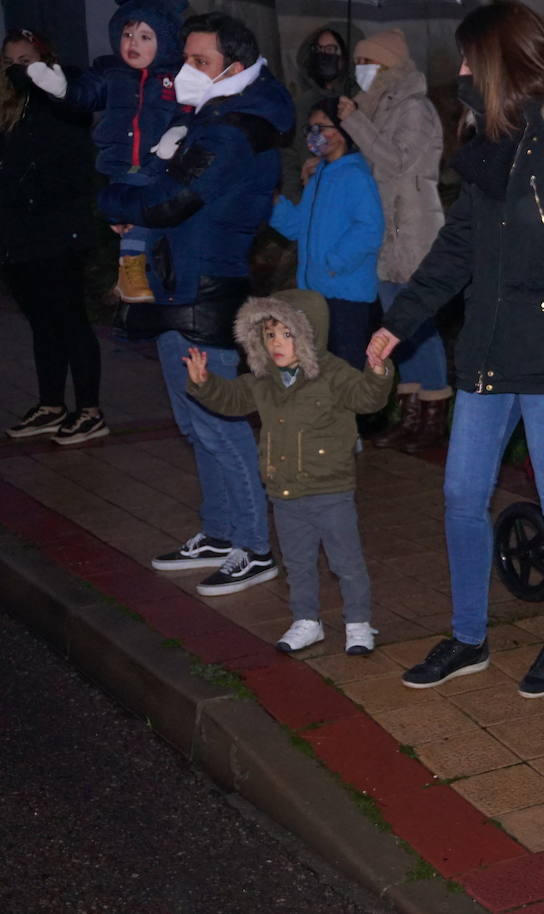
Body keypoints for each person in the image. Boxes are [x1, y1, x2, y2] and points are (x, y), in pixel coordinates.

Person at [366, 1, 544, 699]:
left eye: (464, 59)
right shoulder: (490, 141)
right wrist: (403, 319)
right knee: (460, 492)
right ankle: (467, 636)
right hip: (487, 346)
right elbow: (460, 243)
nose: (456, 72)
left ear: (496, 60)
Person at [100, 11, 294, 597]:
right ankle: (221, 530)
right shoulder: (211, 118)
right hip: (176, 282)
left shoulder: (234, 129)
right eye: (184, 58)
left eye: (199, 62)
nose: (185, 70)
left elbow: (168, 200)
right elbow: (160, 184)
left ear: (233, 68)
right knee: (194, 420)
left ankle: (255, 548)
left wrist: (113, 195)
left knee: (216, 424)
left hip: (203, 291)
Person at [184, 290, 392, 655]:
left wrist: (377, 372)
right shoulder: (263, 379)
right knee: (298, 564)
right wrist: (205, 384)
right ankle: (306, 621)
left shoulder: (332, 374)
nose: (277, 344)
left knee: (347, 563)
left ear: (310, 335)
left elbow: (367, 398)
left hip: (331, 491)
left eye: (287, 334)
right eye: (269, 335)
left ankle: (358, 623)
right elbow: (232, 400)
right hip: (284, 493)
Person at [327, 28, 448, 452]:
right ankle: (410, 413)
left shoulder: (413, 107)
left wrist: (355, 122)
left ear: (389, 65)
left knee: (419, 323)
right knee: (396, 326)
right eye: (357, 63)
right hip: (385, 233)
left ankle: (432, 415)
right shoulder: (375, 106)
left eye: (368, 63)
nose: (360, 71)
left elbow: (397, 159)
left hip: (412, 231)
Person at [25, 0, 187, 307]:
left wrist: (178, 131)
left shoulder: (177, 76)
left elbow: (191, 110)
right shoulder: (110, 71)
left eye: (144, 37)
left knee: (143, 217)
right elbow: (86, 93)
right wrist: (62, 90)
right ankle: (132, 272)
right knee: (135, 215)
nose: (133, 44)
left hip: (160, 165)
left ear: (164, 41)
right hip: (120, 165)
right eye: (127, 35)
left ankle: (131, 273)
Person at [0, 29, 103, 444]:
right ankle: (51, 404)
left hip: (60, 229)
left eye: (27, 59)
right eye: (10, 62)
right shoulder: (8, 110)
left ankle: (90, 409)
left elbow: (67, 156)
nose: (18, 69)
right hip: (17, 233)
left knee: (70, 319)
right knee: (42, 322)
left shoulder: (63, 98)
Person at [271, 97, 384, 371]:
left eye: (323, 127)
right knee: (320, 371)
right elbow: (301, 227)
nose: (315, 135)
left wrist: (333, 263)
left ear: (344, 132)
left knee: (345, 371)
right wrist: (274, 204)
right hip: (315, 293)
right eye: (311, 128)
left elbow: (370, 227)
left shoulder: (355, 175)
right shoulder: (320, 174)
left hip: (345, 296)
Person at [282, 23, 360, 198]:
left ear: (348, 55)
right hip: (309, 200)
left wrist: (331, 160)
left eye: (332, 49)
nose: (324, 55)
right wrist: (295, 200)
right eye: (319, 49)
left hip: (350, 198)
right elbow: (290, 157)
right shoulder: (303, 104)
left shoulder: (360, 101)